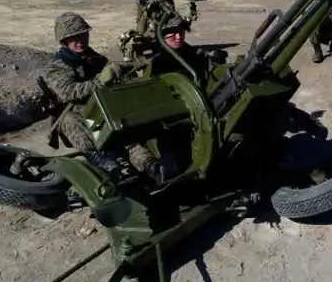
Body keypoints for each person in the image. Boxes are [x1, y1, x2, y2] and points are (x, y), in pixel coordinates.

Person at [41, 12, 165, 183]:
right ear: (64, 41)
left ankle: (149, 165)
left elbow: (112, 71)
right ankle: (103, 162)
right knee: (70, 120)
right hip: (77, 115)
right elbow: (69, 92)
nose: (81, 40)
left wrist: (128, 69)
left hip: (101, 109)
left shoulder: (93, 58)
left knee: (126, 135)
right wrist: (100, 81)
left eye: (83, 35)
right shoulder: (56, 68)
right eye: (75, 37)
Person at [149, 15, 226, 78]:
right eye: (173, 32)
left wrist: (215, 61)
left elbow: (204, 61)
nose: (179, 37)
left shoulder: (188, 51)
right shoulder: (156, 61)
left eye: (181, 31)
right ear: (162, 35)